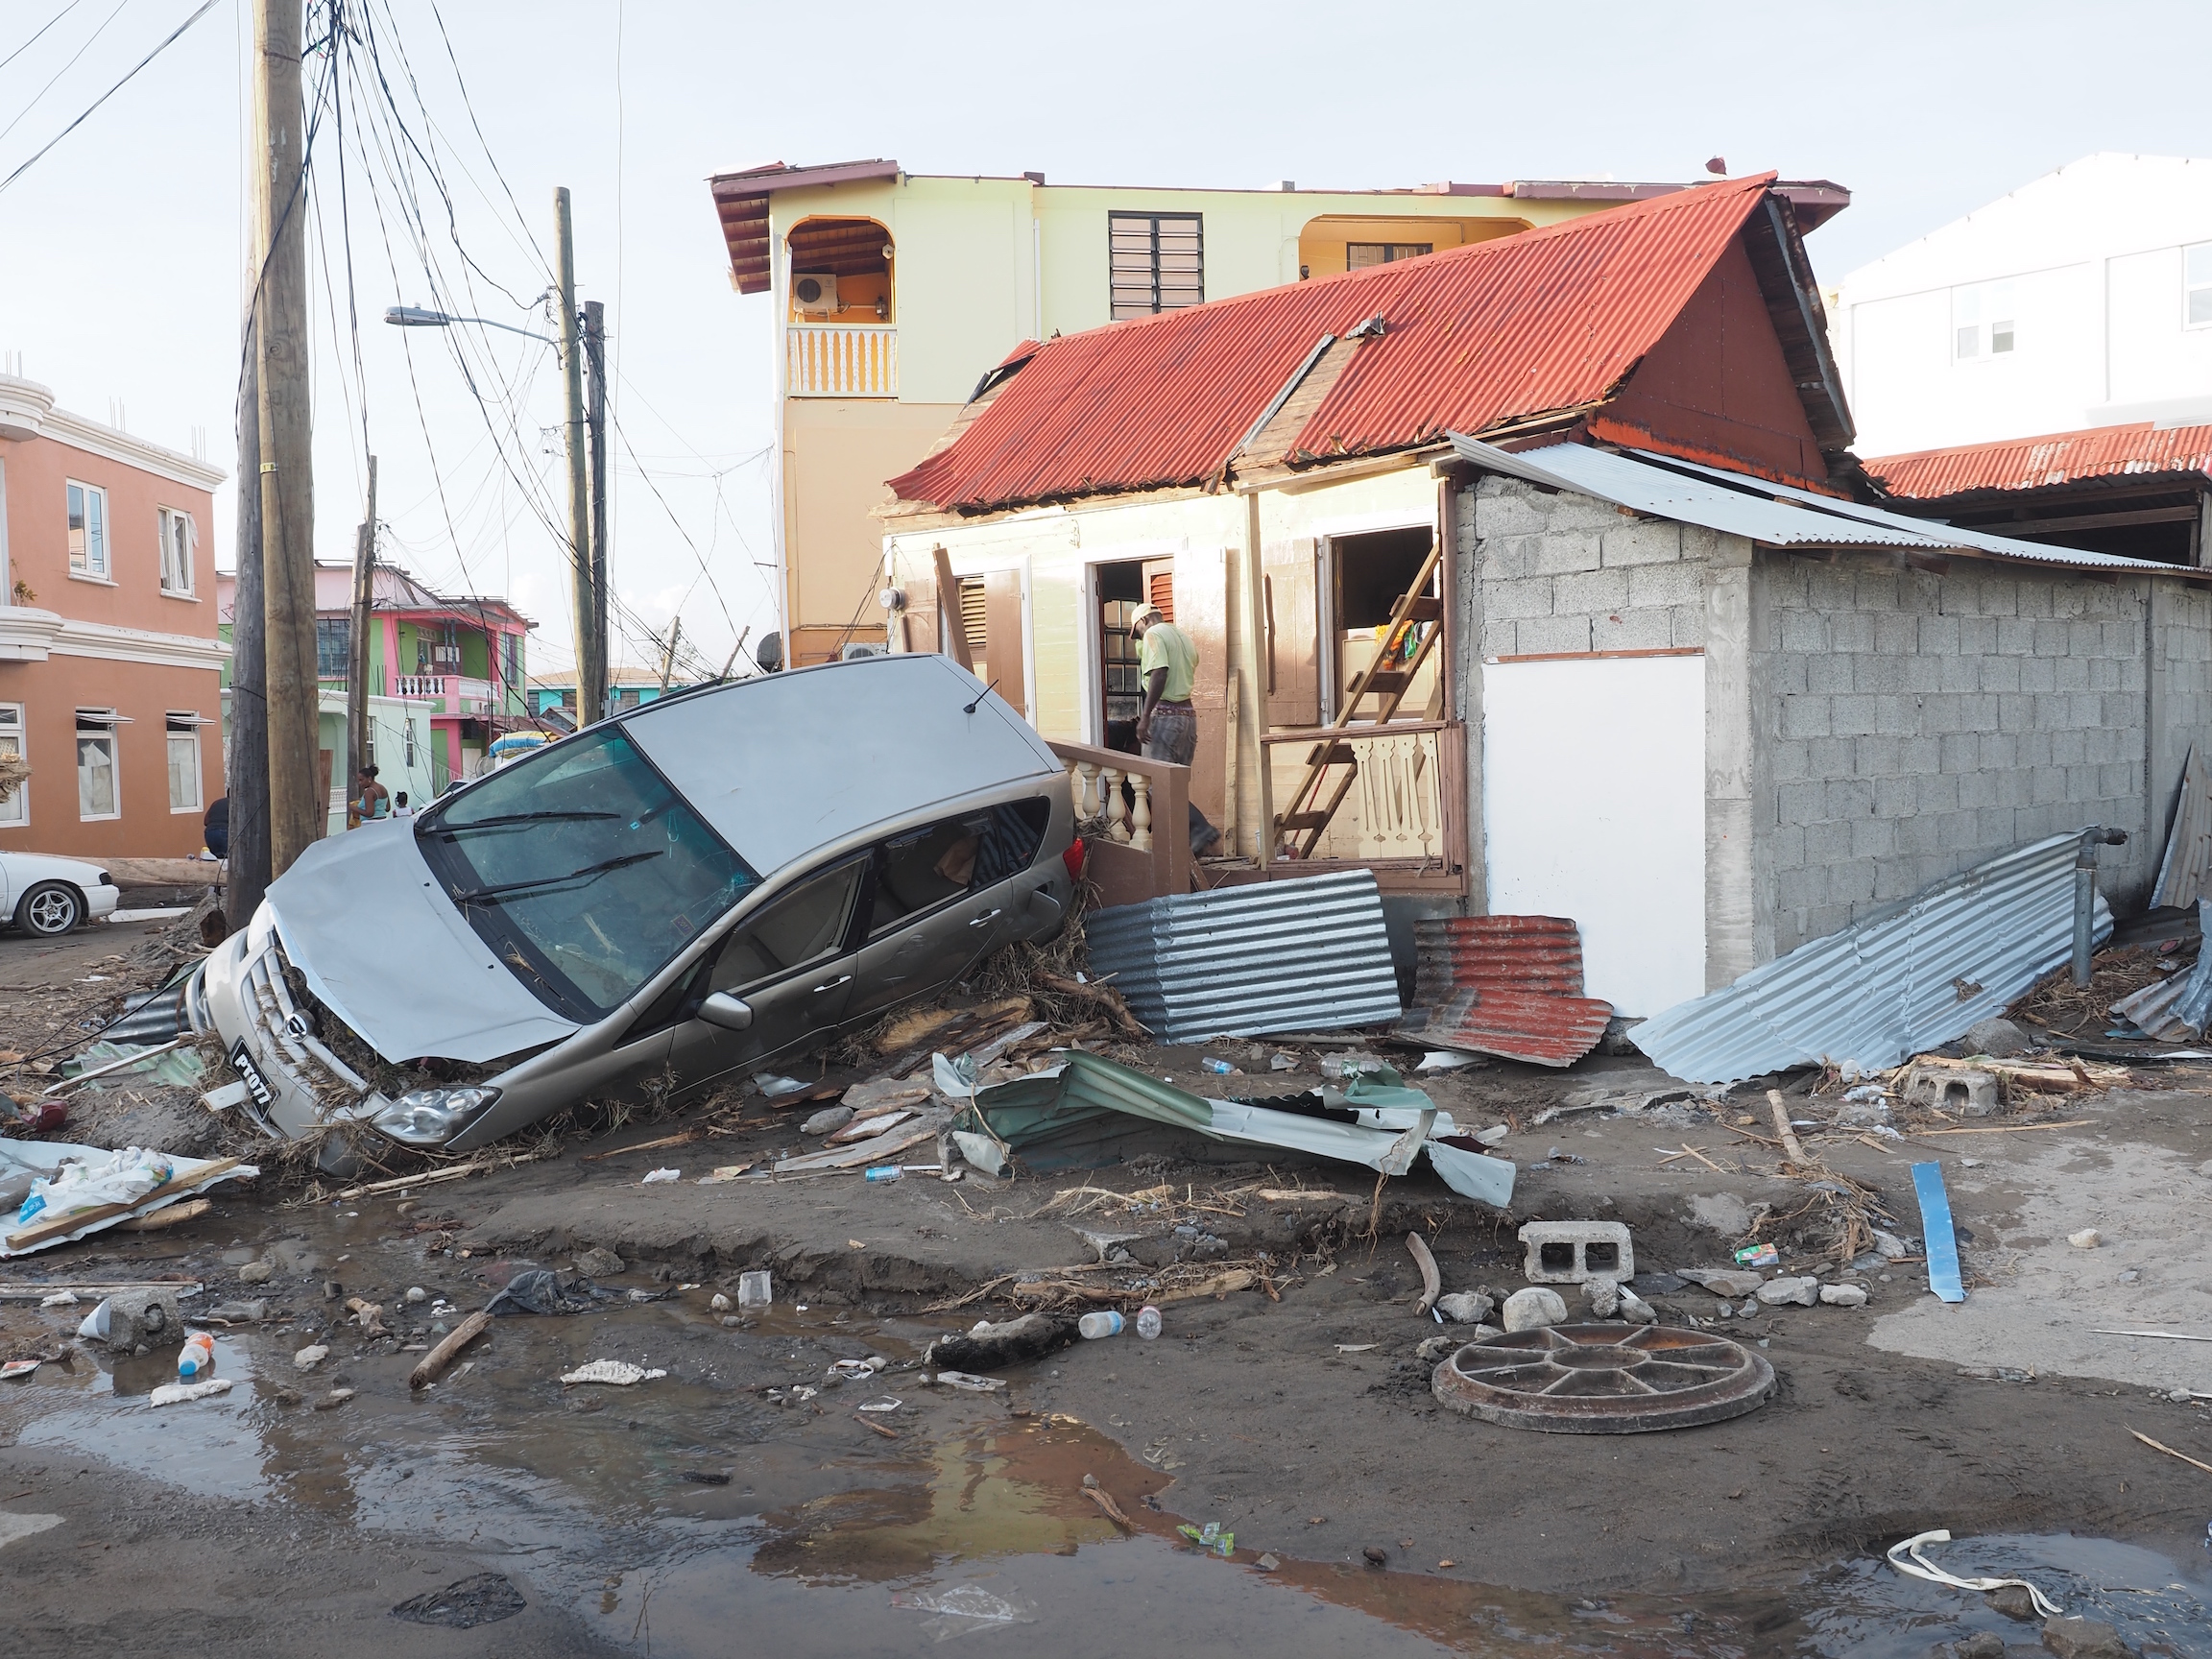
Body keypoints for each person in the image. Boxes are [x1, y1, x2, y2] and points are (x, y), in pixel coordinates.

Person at [1130, 604, 1223, 856]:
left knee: (1157, 786)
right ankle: (1189, 848)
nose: (1139, 638)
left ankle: (1200, 829)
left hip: (1165, 719)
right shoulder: (1182, 637)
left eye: (1137, 631)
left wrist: (1145, 717)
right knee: (1177, 788)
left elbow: (1160, 673)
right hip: (1187, 718)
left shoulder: (1153, 634)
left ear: (1144, 620)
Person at [349, 764, 389, 830]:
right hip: (384, 821)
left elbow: (370, 813)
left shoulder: (369, 792)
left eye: (361, 780)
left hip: (371, 824)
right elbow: (387, 808)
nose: (359, 783)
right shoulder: (383, 788)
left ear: (369, 778)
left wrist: (353, 808)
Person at [203, 795, 228, 859]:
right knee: (230, 861)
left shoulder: (216, 803)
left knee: (216, 860)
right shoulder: (236, 804)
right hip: (224, 831)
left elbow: (205, 821)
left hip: (210, 833)